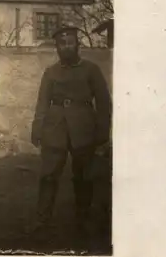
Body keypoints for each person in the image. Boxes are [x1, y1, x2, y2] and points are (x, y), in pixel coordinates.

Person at [30, 26, 112, 235]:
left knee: (83, 176)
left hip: (84, 128)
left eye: (70, 43)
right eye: (61, 44)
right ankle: (41, 220)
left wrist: (103, 131)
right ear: (56, 48)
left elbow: (103, 102)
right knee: (48, 175)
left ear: (78, 45)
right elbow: (42, 103)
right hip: (54, 128)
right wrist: (37, 129)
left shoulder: (91, 70)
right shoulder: (50, 73)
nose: (66, 47)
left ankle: (82, 219)